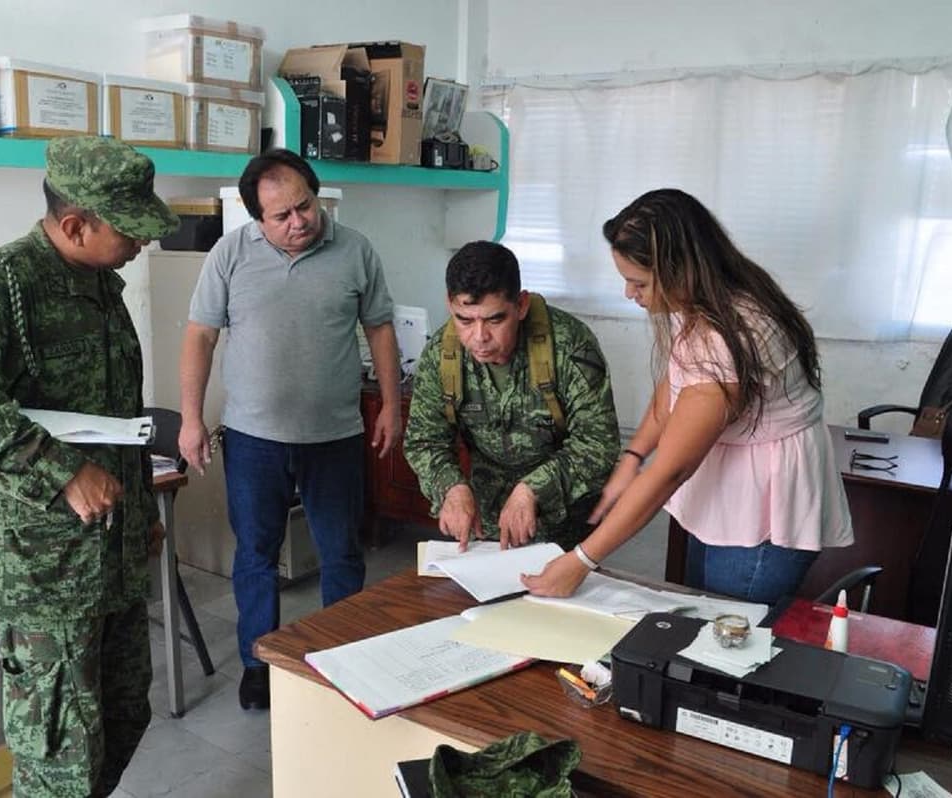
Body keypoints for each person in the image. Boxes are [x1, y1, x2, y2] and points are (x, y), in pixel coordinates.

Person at [0, 136, 177, 797]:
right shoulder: (1, 287)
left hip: (110, 553)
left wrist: (141, 509)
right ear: (76, 224)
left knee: (123, 713)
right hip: (47, 571)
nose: (142, 243)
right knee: (60, 752)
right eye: (129, 230)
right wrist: (56, 468)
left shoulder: (99, 287)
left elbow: (115, 419)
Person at [522, 188, 853, 605]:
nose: (629, 293)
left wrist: (581, 561)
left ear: (681, 268)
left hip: (765, 505)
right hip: (730, 481)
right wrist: (632, 456)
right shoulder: (705, 299)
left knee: (728, 632)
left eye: (637, 282)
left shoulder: (731, 335)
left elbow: (670, 472)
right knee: (701, 614)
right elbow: (676, 383)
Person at [178, 148, 401, 711]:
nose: (299, 221)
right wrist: (189, 418)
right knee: (256, 553)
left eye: (305, 206)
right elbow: (199, 337)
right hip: (253, 438)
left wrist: (393, 407)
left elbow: (379, 330)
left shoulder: (356, 250)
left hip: (336, 435)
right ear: (257, 218)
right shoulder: (229, 255)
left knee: (341, 551)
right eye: (281, 216)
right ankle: (258, 662)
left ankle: (342, 652)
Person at [404, 241, 620, 551]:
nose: (479, 337)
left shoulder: (569, 346)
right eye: (464, 320)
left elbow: (598, 444)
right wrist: (450, 487)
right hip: (487, 526)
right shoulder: (442, 355)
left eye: (495, 320)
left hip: (567, 526)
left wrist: (533, 490)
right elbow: (425, 440)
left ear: (521, 305)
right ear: (450, 305)